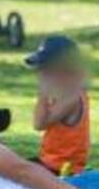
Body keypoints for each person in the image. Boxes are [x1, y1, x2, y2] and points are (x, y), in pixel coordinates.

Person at [25, 36, 91, 176]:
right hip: (49, 164)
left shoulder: (70, 97)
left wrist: (42, 91)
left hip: (61, 170)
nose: (39, 73)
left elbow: (39, 124)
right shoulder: (67, 92)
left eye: (45, 68)